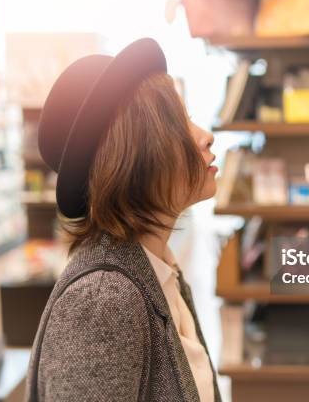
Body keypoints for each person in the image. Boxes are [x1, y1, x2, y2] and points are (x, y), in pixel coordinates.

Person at [25, 38, 221, 402]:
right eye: (179, 124)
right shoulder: (104, 298)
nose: (206, 136)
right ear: (136, 153)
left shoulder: (159, 271)